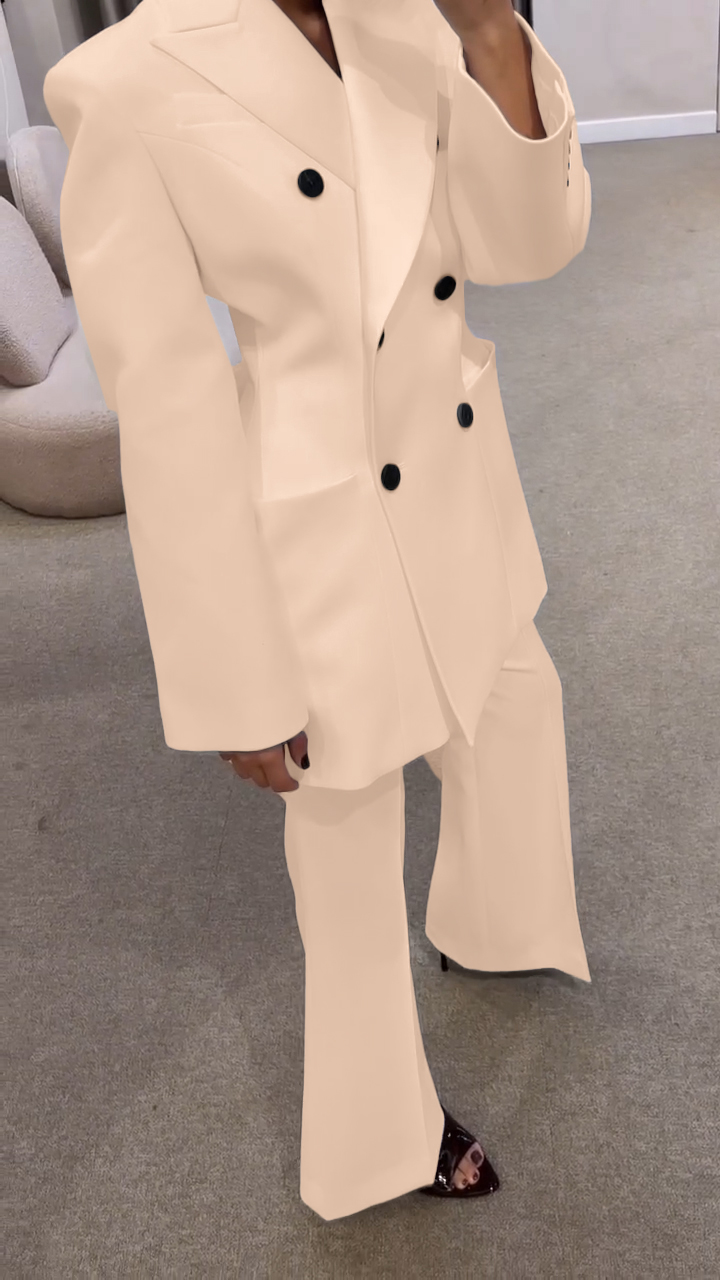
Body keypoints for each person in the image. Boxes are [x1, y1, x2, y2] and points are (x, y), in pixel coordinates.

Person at [43, 0, 593, 1221]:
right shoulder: (124, 82)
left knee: (516, 701)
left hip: (455, 470)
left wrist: (491, 37)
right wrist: (233, 678)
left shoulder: (411, 22)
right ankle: (379, 1137)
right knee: (347, 845)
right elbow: (168, 409)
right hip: (316, 520)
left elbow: (526, 246)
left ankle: (496, 922)